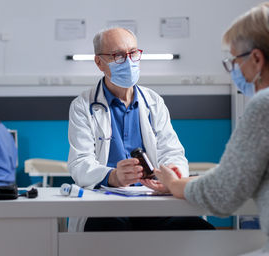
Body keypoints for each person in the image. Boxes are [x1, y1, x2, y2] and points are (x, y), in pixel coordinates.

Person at [142, 2, 269, 256]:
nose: (235, 71)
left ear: (257, 59)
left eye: (235, 61)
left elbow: (223, 195)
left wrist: (175, 184)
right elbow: (242, 175)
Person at [67, 27, 214, 232]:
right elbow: (80, 163)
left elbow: (172, 152)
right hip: (105, 203)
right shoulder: (83, 105)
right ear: (99, 62)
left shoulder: (153, 101)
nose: (128, 61)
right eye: (118, 55)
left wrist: (170, 179)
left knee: (199, 230)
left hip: (151, 200)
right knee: (113, 231)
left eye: (133, 53)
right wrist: (113, 176)